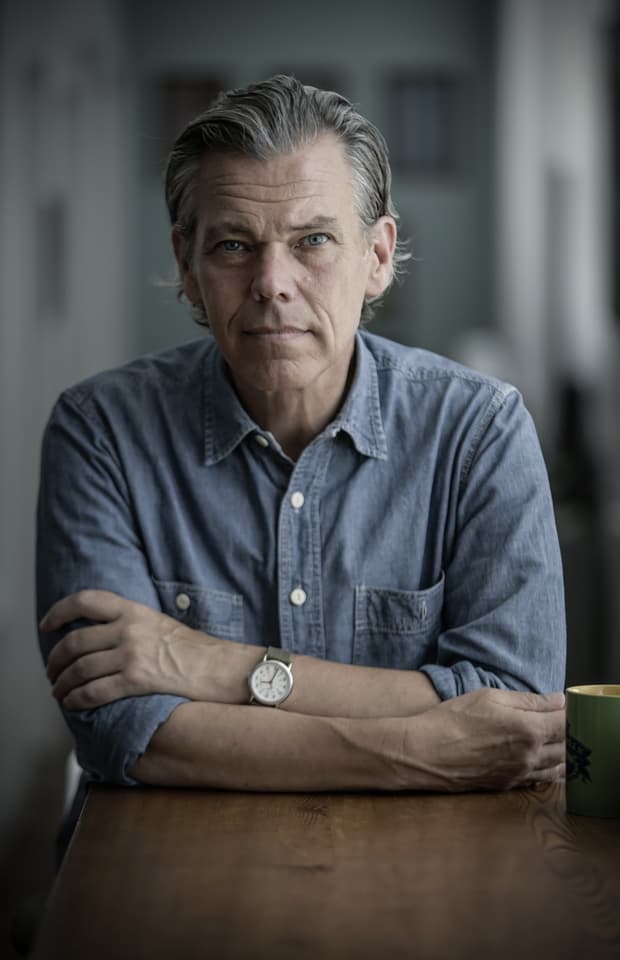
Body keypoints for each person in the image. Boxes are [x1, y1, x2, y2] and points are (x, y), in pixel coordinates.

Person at [37, 75, 566, 798]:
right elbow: (121, 730)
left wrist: (208, 665)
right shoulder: (100, 432)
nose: (272, 282)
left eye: (313, 240)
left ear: (377, 256)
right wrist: (416, 748)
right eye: (232, 245)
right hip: (166, 880)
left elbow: (516, 712)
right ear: (187, 266)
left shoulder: (480, 430)